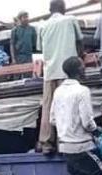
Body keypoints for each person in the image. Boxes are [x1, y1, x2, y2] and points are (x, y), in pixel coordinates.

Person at [50, 57, 102, 175]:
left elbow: (52, 120)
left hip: (65, 147)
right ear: (80, 70)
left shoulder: (58, 91)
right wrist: (96, 129)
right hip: (82, 146)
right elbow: (87, 122)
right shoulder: (82, 91)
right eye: (83, 67)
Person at [38, 0, 84, 155]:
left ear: (50, 10)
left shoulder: (42, 25)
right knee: (66, 107)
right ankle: (63, 142)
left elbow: (40, 48)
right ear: (63, 8)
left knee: (48, 107)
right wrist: (80, 58)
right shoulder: (70, 20)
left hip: (49, 72)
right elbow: (80, 43)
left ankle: (46, 143)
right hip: (68, 72)